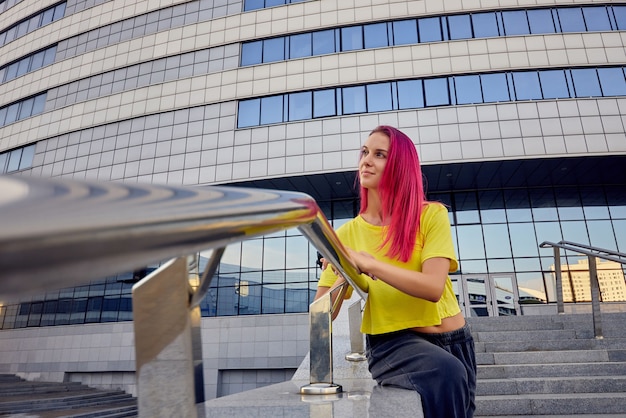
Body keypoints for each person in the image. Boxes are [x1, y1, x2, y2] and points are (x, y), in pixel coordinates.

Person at [314, 126, 476, 418]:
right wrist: (343, 272)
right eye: (364, 152)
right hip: (394, 343)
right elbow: (323, 311)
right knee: (447, 373)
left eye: (379, 155)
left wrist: (369, 263)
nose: (366, 160)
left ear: (400, 166)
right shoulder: (346, 234)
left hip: (455, 340)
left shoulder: (431, 215)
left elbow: (432, 287)